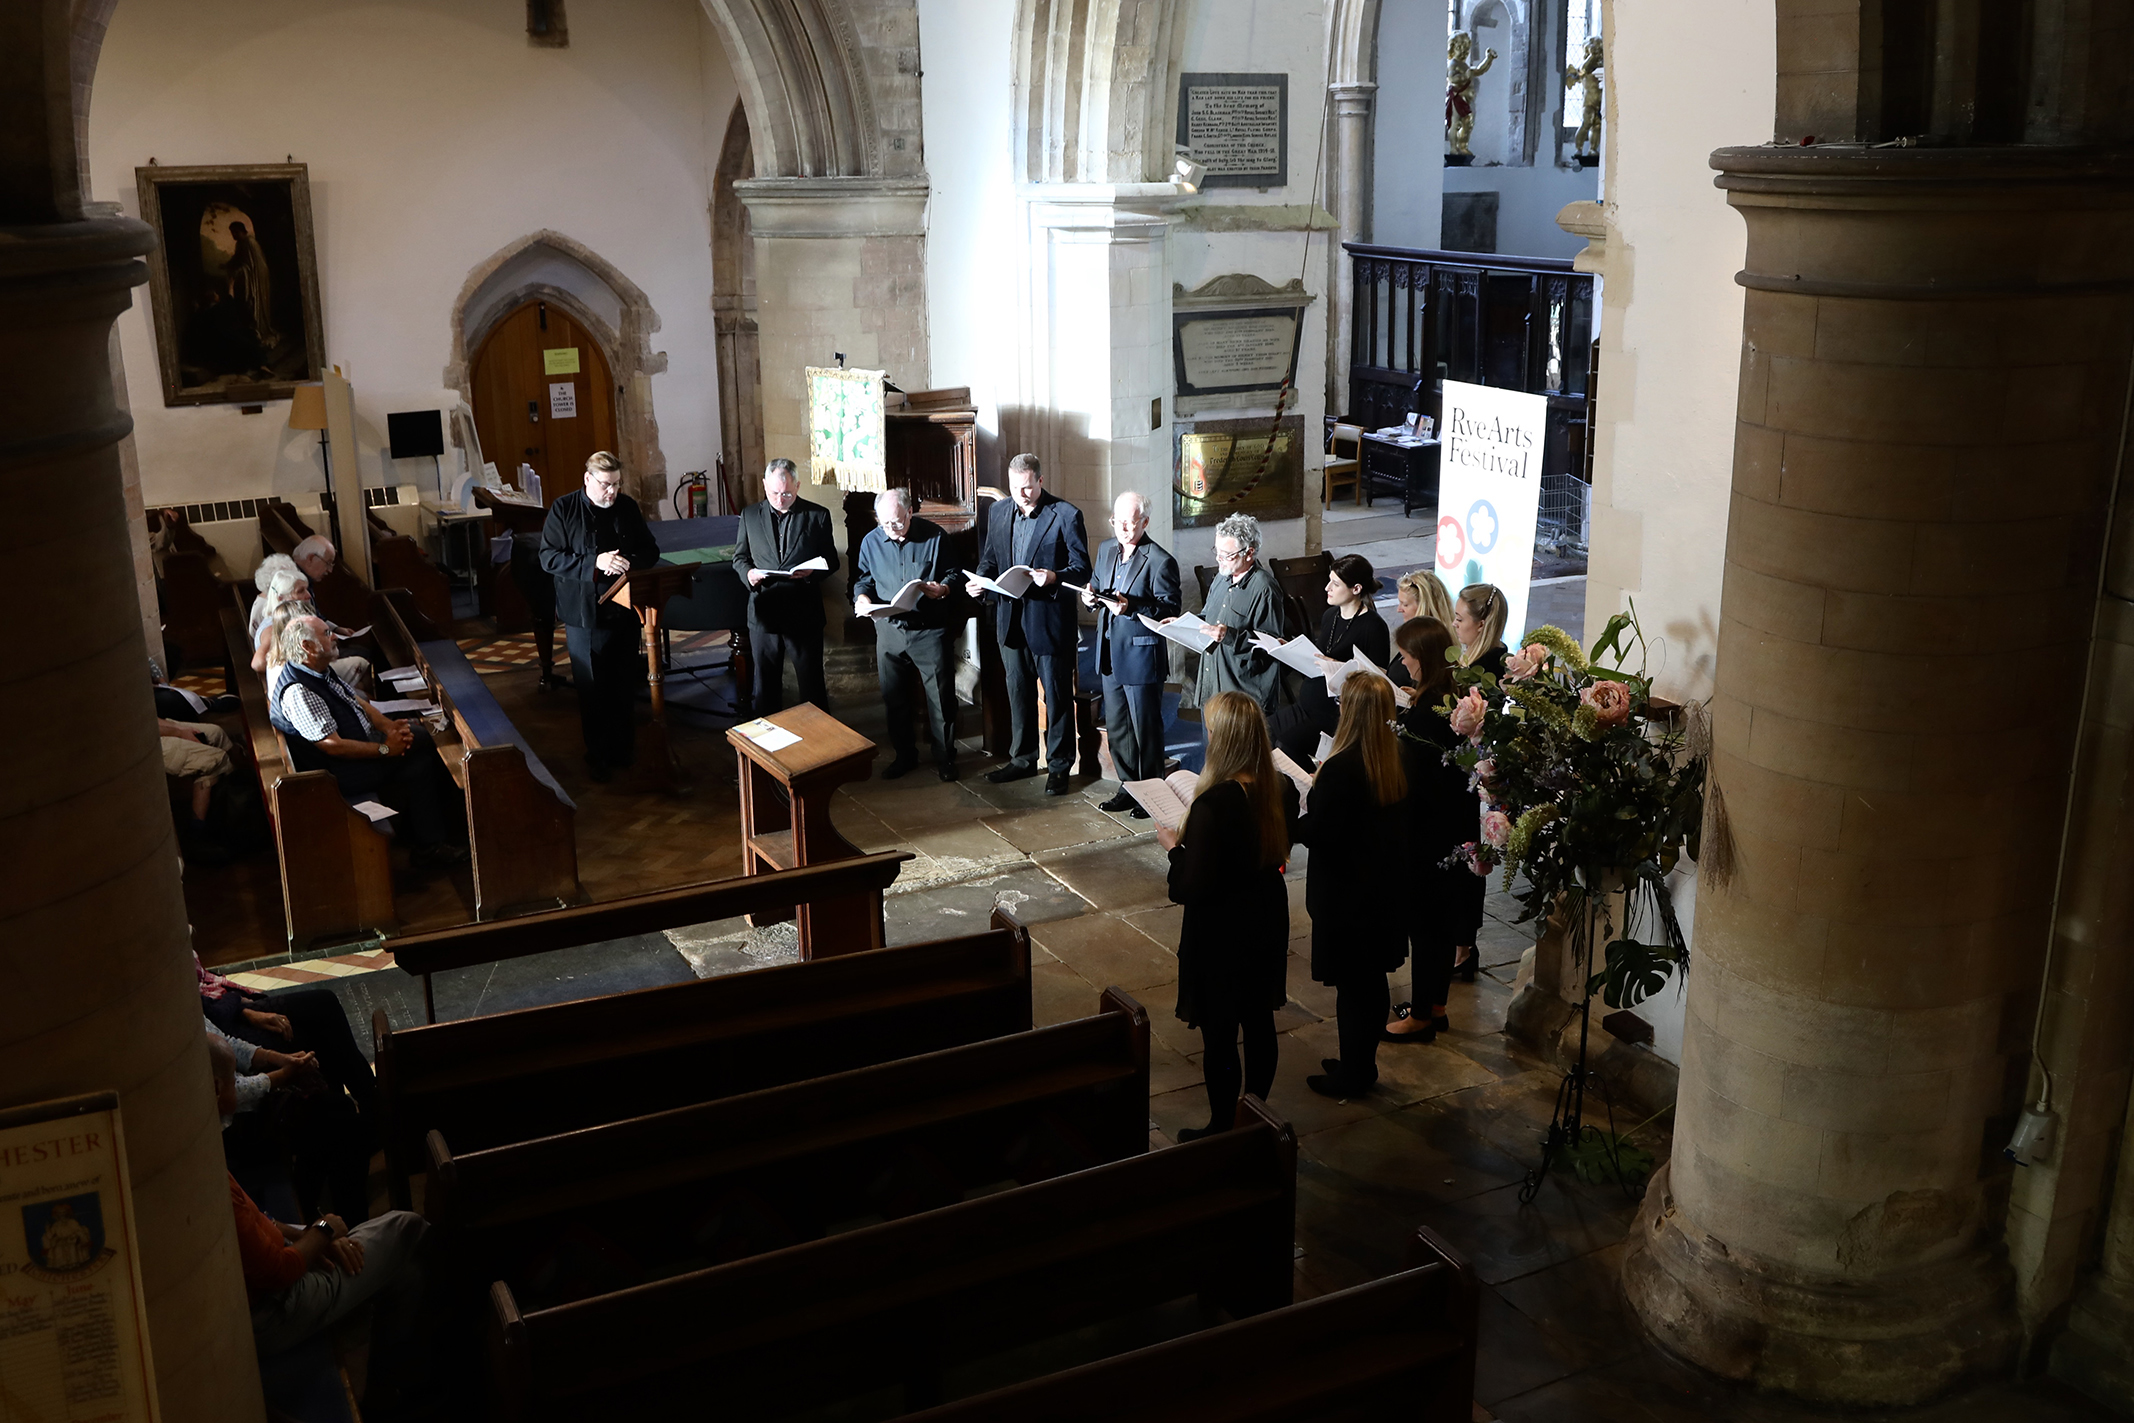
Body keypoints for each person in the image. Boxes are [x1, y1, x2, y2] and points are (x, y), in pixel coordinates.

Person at [214, 1040, 432, 1420]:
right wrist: (326, 1229)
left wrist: (308, 1235)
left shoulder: (199, 1153)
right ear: (217, 1089)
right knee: (408, 1227)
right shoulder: (207, 1173)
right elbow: (279, 1271)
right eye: (233, 1080)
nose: (237, 1084)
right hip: (272, 1309)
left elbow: (255, 1223)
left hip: (272, 1271)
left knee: (405, 1273)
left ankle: (386, 1389)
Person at [1156, 691, 1297, 1140]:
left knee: (1220, 1031)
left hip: (1221, 927)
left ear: (1222, 739)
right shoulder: (1280, 788)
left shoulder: (1213, 804)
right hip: (1266, 915)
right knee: (1258, 1021)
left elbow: (1189, 886)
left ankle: (1221, 1127)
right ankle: (1255, 1113)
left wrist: (1173, 849)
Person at [1292, 672, 1409, 1097]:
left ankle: (1353, 1075)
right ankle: (1361, 1063)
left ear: (1352, 712)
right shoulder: (1392, 757)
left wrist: (1297, 815)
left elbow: (1323, 833)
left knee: (1352, 988)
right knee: (1370, 981)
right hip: (1381, 891)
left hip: (1345, 896)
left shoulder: (1342, 768)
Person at [272, 617, 466, 868]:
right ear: (307, 646)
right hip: (340, 774)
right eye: (327, 633)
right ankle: (434, 843)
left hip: (360, 747)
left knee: (423, 746)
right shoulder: (299, 691)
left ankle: (433, 835)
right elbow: (333, 746)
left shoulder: (316, 670)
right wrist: (386, 749)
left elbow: (355, 700)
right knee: (424, 756)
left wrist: (388, 726)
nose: (335, 636)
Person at [1384, 617, 1485, 1044]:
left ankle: (1421, 1017)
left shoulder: (1425, 718)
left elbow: (1412, 778)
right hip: (1456, 825)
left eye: (1406, 657)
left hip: (1428, 833)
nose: (1403, 664)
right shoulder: (1451, 700)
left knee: (1426, 926)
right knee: (1441, 923)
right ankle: (1436, 1007)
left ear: (1422, 659)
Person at [539, 451, 660, 779]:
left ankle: (624, 751)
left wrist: (630, 564)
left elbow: (650, 549)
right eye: (606, 484)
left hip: (624, 610)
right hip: (584, 613)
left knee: (623, 684)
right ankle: (599, 756)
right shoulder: (564, 508)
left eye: (617, 484)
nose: (612, 492)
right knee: (593, 687)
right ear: (588, 479)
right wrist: (595, 563)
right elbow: (548, 558)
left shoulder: (627, 507)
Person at [976, 453, 1090, 795]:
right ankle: (1022, 759)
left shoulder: (1066, 514)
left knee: (1056, 697)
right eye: (1015, 488)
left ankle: (1059, 766)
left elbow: (1081, 570)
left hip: (1049, 622)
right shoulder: (998, 511)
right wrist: (980, 581)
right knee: (1018, 693)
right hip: (1010, 621)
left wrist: (1053, 576)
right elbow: (990, 559)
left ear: (1040, 480)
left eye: (1027, 487)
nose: (1021, 495)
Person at [854, 488, 962, 781]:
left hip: (929, 629)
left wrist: (943, 588)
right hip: (889, 629)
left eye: (898, 522)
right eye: (885, 523)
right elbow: (863, 579)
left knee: (940, 697)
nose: (892, 529)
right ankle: (904, 756)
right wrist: (862, 598)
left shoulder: (934, 536)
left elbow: (954, 573)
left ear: (910, 512)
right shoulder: (871, 541)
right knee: (894, 697)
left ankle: (945, 757)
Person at [1085, 491, 1180, 814]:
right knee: (1118, 729)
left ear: (1145, 522)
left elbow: (1170, 609)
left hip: (1141, 656)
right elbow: (1097, 584)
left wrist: (1132, 607)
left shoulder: (1160, 560)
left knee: (1145, 731)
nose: (1123, 528)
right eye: (1118, 521)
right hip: (1109, 653)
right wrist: (1090, 597)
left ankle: (1151, 793)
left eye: (1131, 522)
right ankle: (1129, 787)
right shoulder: (1105, 549)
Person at [730, 457, 842, 714]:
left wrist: (812, 572)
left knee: (811, 686)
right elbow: (740, 558)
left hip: (803, 613)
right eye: (774, 493)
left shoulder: (817, 515)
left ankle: (816, 736)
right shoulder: (749, 515)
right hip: (764, 613)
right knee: (765, 688)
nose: (780, 499)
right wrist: (748, 574)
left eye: (787, 494)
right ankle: (769, 736)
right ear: (764, 485)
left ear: (797, 486)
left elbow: (832, 560)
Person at [1268, 553, 1392, 768]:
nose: (1327, 588)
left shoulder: (1373, 626)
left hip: (1335, 714)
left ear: (1356, 589)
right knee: (1263, 730)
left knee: (1286, 746)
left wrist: (1337, 666)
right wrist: (1289, 649)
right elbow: (1318, 655)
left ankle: (1312, 783)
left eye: (1335, 584)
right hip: (1306, 704)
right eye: (1329, 581)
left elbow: (1379, 679)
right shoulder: (1330, 615)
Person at [1190, 512, 1287, 715]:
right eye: (1217, 551)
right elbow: (1208, 617)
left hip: (1240, 698)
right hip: (1211, 686)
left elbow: (1271, 647)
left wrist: (1230, 636)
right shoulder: (1221, 578)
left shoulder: (1265, 589)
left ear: (1249, 553)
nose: (1219, 559)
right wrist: (1182, 624)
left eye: (1227, 554)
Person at [1386, 571, 1453, 692]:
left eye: (1405, 604)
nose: (1399, 609)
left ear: (1424, 605)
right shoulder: (1413, 638)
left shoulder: (1432, 644)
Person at [1452, 581, 1510, 677]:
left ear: (1481, 625)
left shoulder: (1482, 673)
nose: (1454, 624)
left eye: (1459, 619)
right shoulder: (1499, 656)